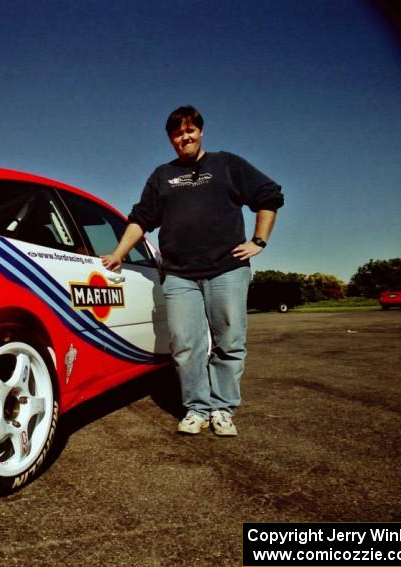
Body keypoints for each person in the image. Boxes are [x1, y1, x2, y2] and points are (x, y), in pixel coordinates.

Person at [101, 105, 284, 436]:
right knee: (186, 345)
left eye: (189, 130)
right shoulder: (162, 176)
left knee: (229, 341)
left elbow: (269, 195)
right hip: (180, 274)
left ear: (200, 132)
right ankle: (197, 408)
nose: (183, 137)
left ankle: (222, 408)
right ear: (170, 138)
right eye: (176, 133)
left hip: (227, 269)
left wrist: (259, 240)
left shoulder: (227, 164)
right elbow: (141, 218)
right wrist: (118, 253)